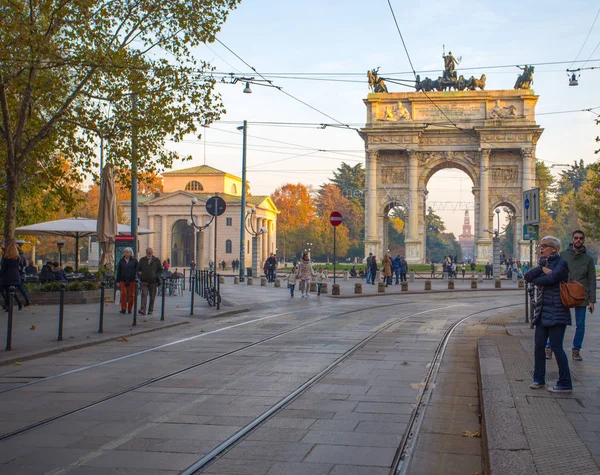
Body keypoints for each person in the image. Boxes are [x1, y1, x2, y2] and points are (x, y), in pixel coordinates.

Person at [524, 236, 572, 393]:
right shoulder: (543, 264)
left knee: (557, 348)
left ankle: (565, 383)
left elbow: (551, 279)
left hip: (558, 312)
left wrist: (541, 275)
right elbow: (528, 277)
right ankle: (538, 379)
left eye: (544, 246)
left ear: (554, 249)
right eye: (540, 245)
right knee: (539, 347)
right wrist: (542, 268)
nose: (541, 248)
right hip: (542, 312)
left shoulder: (561, 264)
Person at [557, 230, 596, 361]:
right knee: (558, 321)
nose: (578, 240)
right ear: (572, 239)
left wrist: (592, 301)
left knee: (580, 324)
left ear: (583, 240)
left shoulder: (588, 259)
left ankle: (576, 350)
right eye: (576, 238)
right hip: (565, 292)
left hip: (581, 295)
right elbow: (557, 274)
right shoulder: (563, 255)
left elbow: (592, 280)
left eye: (581, 238)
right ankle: (551, 347)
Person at [137, 247, 162, 316]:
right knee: (144, 294)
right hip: (144, 280)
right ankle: (143, 309)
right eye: (147, 253)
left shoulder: (156, 260)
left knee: (152, 296)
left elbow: (160, 269)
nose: (149, 254)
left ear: (152, 253)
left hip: (153, 281)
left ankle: (150, 309)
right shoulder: (142, 260)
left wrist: (156, 276)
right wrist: (140, 274)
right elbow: (138, 269)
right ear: (146, 253)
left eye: (150, 253)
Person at [1, 243, 25, 311]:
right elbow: (21, 267)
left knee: (8, 291)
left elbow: (3, 268)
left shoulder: (6, 258)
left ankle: (8, 306)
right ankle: (18, 303)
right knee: (11, 291)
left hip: (7, 276)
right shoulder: (18, 258)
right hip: (16, 275)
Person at [116, 247, 138, 315]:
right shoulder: (121, 261)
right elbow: (119, 271)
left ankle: (129, 309)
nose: (126, 253)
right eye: (125, 252)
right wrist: (117, 281)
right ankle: (123, 308)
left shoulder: (134, 260)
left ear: (131, 253)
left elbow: (137, 269)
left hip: (131, 280)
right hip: (123, 280)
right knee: (123, 294)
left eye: (127, 252)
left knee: (131, 295)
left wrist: (137, 277)